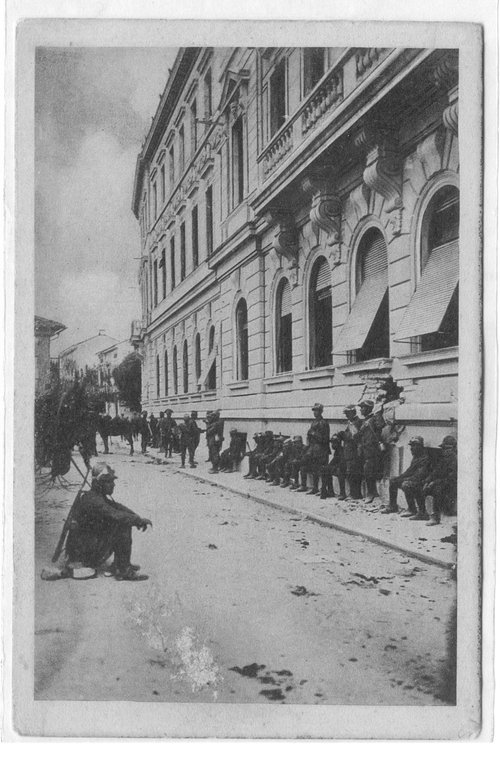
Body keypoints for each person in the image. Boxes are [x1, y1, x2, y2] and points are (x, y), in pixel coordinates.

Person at [65, 462, 152, 581]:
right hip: (82, 557)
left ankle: (120, 564)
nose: (113, 485)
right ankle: (123, 569)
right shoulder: (94, 500)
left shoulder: (95, 496)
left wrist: (136, 517)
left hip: (85, 547)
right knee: (122, 523)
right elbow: (115, 514)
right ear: (99, 484)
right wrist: (137, 520)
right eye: (109, 481)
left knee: (123, 520)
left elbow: (118, 507)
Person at [381, 436, 430, 519]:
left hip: (423, 482)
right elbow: (409, 471)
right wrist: (400, 477)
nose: (411, 448)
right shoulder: (416, 457)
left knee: (406, 484)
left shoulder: (424, 458)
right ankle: (393, 506)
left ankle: (419, 511)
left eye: (414, 446)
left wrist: (404, 479)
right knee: (393, 481)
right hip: (414, 479)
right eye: (411, 446)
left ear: (420, 446)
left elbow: (419, 475)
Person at [423, 435, 457, 526]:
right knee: (426, 487)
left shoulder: (455, 460)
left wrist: (435, 482)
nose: (446, 451)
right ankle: (426, 513)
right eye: (444, 448)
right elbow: (436, 471)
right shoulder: (443, 460)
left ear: (453, 448)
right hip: (442, 482)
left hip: (452, 484)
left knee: (436, 489)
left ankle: (435, 518)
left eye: (448, 448)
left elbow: (451, 478)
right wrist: (428, 480)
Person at [296, 403, 330, 494]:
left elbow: (325, 439)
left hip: (321, 450)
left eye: (317, 410)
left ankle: (323, 489)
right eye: (314, 410)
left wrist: (314, 434)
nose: (315, 412)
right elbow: (309, 437)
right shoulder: (314, 422)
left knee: (321, 470)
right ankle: (314, 488)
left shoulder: (324, 423)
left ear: (321, 411)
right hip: (313, 449)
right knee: (314, 469)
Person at [357, 399, 386, 504]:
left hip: (373, 451)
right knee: (367, 472)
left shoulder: (374, 419)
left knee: (370, 472)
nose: (360, 410)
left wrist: (378, 413)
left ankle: (371, 493)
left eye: (362, 407)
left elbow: (381, 425)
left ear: (368, 408)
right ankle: (372, 492)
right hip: (366, 450)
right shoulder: (365, 420)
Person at [340, 405, 363, 500]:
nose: (346, 416)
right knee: (350, 473)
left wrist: (343, 434)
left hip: (354, 452)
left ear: (352, 413)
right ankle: (353, 493)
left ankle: (355, 494)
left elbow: (354, 437)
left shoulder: (356, 423)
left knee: (353, 473)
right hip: (349, 452)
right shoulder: (351, 422)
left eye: (347, 413)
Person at [320, 433, 347, 500]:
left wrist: (333, 467)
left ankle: (342, 493)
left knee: (340, 472)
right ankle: (329, 491)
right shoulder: (337, 451)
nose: (332, 445)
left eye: (334, 443)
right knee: (325, 469)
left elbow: (342, 464)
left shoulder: (342, 450)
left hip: (344, 469)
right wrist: (327, 467)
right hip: (338, 468)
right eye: (332, 443)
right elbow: (333, 461)